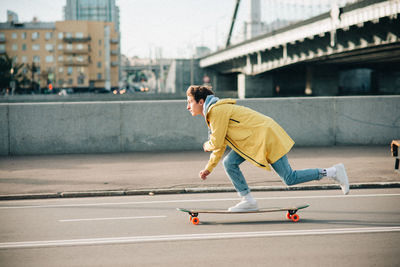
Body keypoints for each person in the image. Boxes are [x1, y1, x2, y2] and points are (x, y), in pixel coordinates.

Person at [186, 85, 350, 212]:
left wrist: (206, 145)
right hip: (254, 140)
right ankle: (248, 201)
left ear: (201, 102)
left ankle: (333, 172)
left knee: (289, 178)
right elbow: (220, 145)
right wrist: (208, 168)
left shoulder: (216, 111)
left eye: (190, 102)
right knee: (229, 162)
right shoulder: (214, 112)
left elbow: (215, 142)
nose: (188, 106)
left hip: (265, 137)